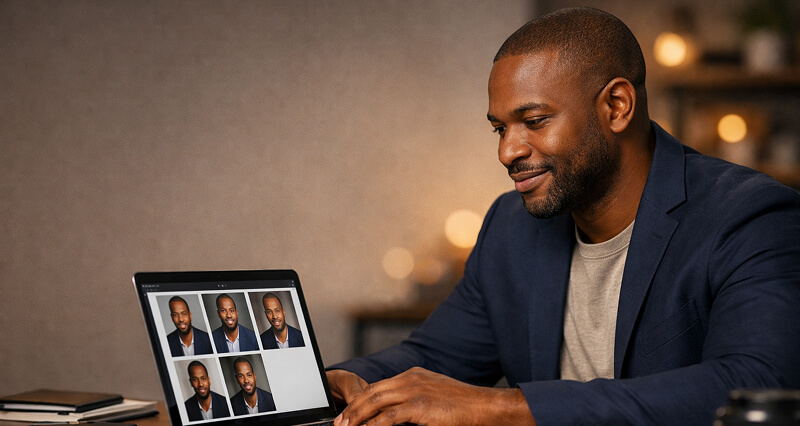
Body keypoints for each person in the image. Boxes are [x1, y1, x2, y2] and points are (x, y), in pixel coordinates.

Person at [326, 7, 800, 426]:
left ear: (616, 106)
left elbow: (755, 383)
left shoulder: (751, 216)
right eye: (499, 128)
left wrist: (501, 408)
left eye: (533, 121)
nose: (507, 152)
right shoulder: (509, 228)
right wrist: (338, 381)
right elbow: (432, 357)